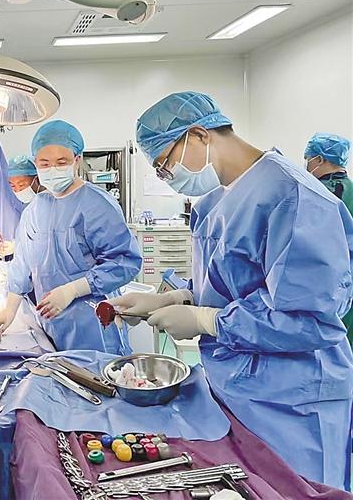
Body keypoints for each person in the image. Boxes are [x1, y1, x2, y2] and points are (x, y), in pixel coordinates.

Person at [116, 91, 353, 490]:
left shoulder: (293, 196)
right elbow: (227, 283)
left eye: (165, 164)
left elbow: (309, 320)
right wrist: (176, 298)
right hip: (238, 385)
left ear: (198, 135)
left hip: (294, 398)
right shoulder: (214, 201)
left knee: (299, 491)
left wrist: (205, 320)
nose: (167, 177)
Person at [0, 120, 142, 353]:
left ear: (77, 160)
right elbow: (22, 265)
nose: (52, 169)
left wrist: (72, 290)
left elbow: (124, 262)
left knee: (97, 374)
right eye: (44, 163)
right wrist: (9, 310)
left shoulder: (98, 205)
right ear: (35, 163)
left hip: (93, 322)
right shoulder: (35, 209)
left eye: (61, 162)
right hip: (51, 323)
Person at [305, 132, 353, 348]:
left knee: (328, 344)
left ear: (320, 159)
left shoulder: (316, 193)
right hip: (347, 283)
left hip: (324, 285)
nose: (307, 164)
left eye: (308, 159)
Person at [0, 154, 45, 259]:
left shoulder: (49, 205)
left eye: (22, 184)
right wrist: (14, 245)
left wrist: (17, 247)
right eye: (13, 186)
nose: (18, 190)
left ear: (36, 179)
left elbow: (47, 244)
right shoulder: (28, 205)